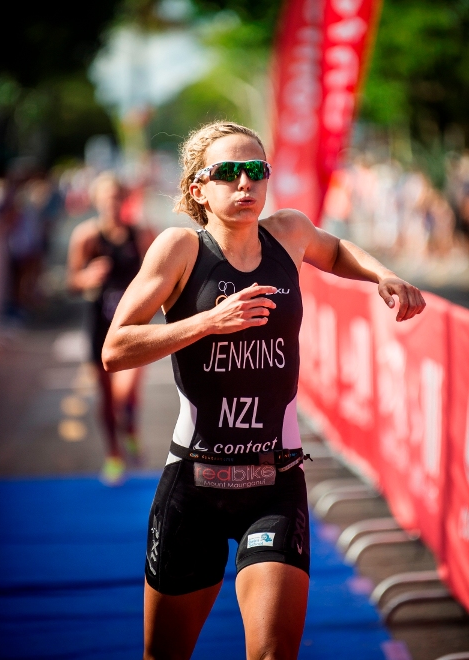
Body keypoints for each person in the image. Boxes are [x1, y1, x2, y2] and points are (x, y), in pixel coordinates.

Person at [102, 122, 426, 659]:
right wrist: (208, 322)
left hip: (275, 481)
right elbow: (116, 348)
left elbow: (336, 248)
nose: (245, 183)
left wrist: (382, 275)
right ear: (197, 188)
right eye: (228, 173)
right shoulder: (180, 248)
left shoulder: (289, 234)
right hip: (194, 485)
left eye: (257, 170)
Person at [67, 172, 154, 484]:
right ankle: (114, 453)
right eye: (106, 200)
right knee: (106, 397)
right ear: (96, 202)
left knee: (125, 391)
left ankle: (129, 424)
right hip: (100, 323)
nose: (112, 205)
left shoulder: (141, 234)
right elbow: (71, 281)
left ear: (124, 200)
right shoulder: (86, 237)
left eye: (117, 198)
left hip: (133, 325)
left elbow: (159, 275)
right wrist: (87, 277)